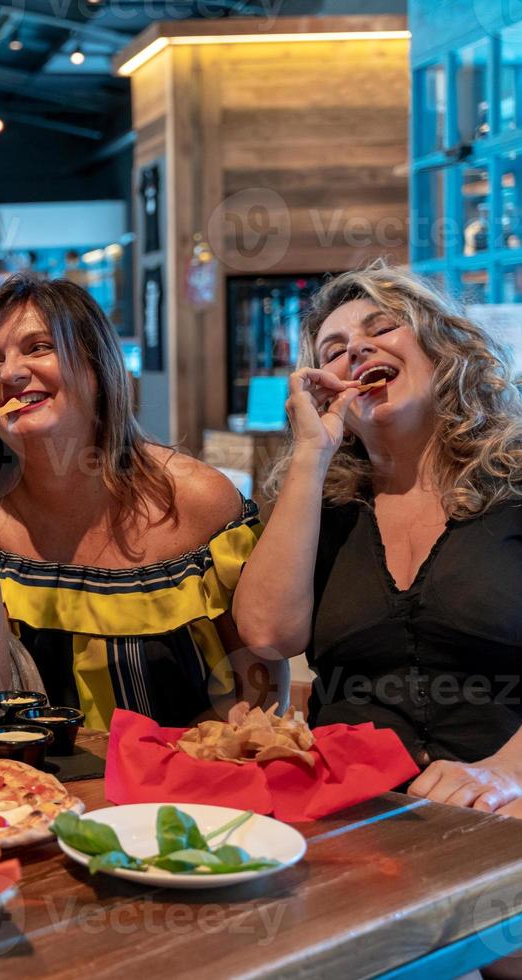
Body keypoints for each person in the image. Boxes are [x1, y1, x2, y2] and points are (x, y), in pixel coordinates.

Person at [233, 265, 522, 818]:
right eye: (334, 349)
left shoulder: (515, 480)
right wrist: (311, 454)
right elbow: (268, 634)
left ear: (443, 350)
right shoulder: (323, 508)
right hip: (348, 820)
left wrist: (507, 773)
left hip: (498, 819)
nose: (358, 350)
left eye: (383, 328)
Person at [0, 275, 277, 727]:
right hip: (38, 786)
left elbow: (262, 676)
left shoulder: (198, 498)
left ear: (97, 368)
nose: (10, 373)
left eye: (39, 348)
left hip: (187, 783)